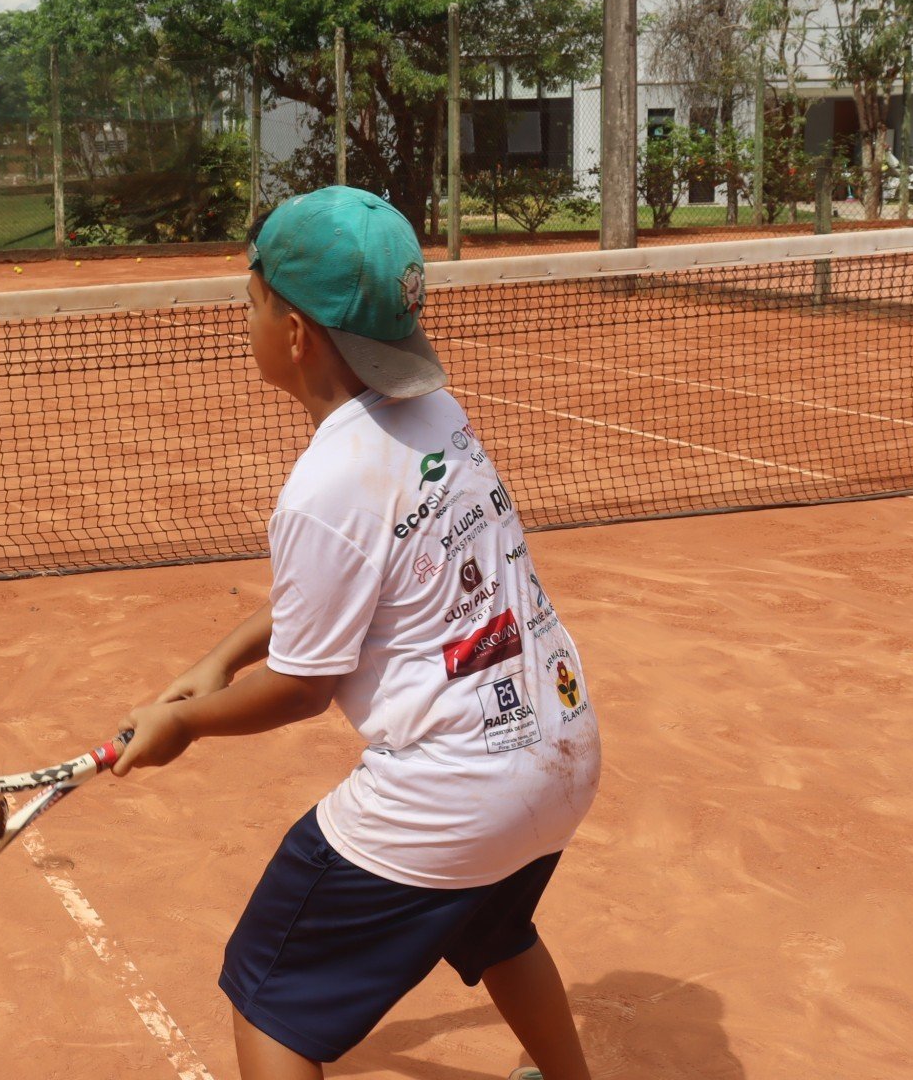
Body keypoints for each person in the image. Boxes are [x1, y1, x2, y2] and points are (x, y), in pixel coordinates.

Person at [111, 187, 601, 1080]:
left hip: (454, 791)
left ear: (294, 333)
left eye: (251, 304)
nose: (246, 321)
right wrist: (223, 655)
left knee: (268, 993)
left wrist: (185, 722)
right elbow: (370, 578)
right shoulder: (437, 415)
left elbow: (305, 687)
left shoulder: (323, 485)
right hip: (558, 747)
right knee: (493, 920)